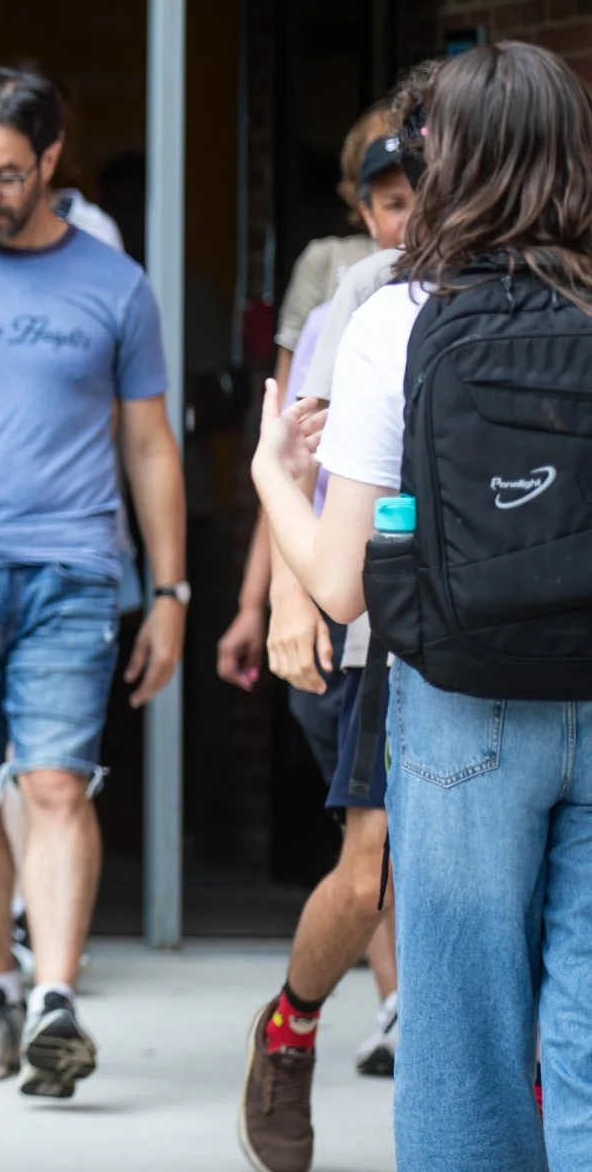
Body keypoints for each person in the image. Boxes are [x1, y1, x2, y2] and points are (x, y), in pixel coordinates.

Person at [254, 40, 592, 1172]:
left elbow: (342, 579)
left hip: (459, 702)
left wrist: (267, 472)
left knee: (460, 1032)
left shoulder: (396, 320)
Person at [0, 66, 187, 1103]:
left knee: (53, 778)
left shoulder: (114, 284)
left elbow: (149, 445)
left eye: (5, 174)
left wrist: (173, 590)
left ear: (51, 160)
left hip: (69, 566)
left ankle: (55, 997)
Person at [231, 128, 418, 1172]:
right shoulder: (364, 296)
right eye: (389, 199)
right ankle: (290, 1026)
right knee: (367, 878)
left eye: (423, 192)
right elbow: (297, 455)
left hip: (512, 626)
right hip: (382, 616)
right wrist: (292, 596)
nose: (410, 215)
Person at [218, 102, 398, 704]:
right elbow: (294, 435)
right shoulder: (337, 270)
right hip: (329, 538)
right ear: (361, 196)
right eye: (391, 195)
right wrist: (271, 597)